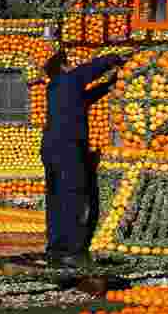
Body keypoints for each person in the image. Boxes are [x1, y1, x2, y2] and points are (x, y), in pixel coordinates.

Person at [40, 48, 133, 268]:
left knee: (55, 199)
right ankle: (73, 252)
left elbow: (84, 99)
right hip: (68, 149)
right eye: (69, 63)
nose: (72, 65)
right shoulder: (70, 80)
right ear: (63, 67)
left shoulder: (56, 89)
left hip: (51, 149)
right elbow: (89, 70)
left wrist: (108, 85)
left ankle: (56, 251)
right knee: (74, 197)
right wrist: (116, 58)